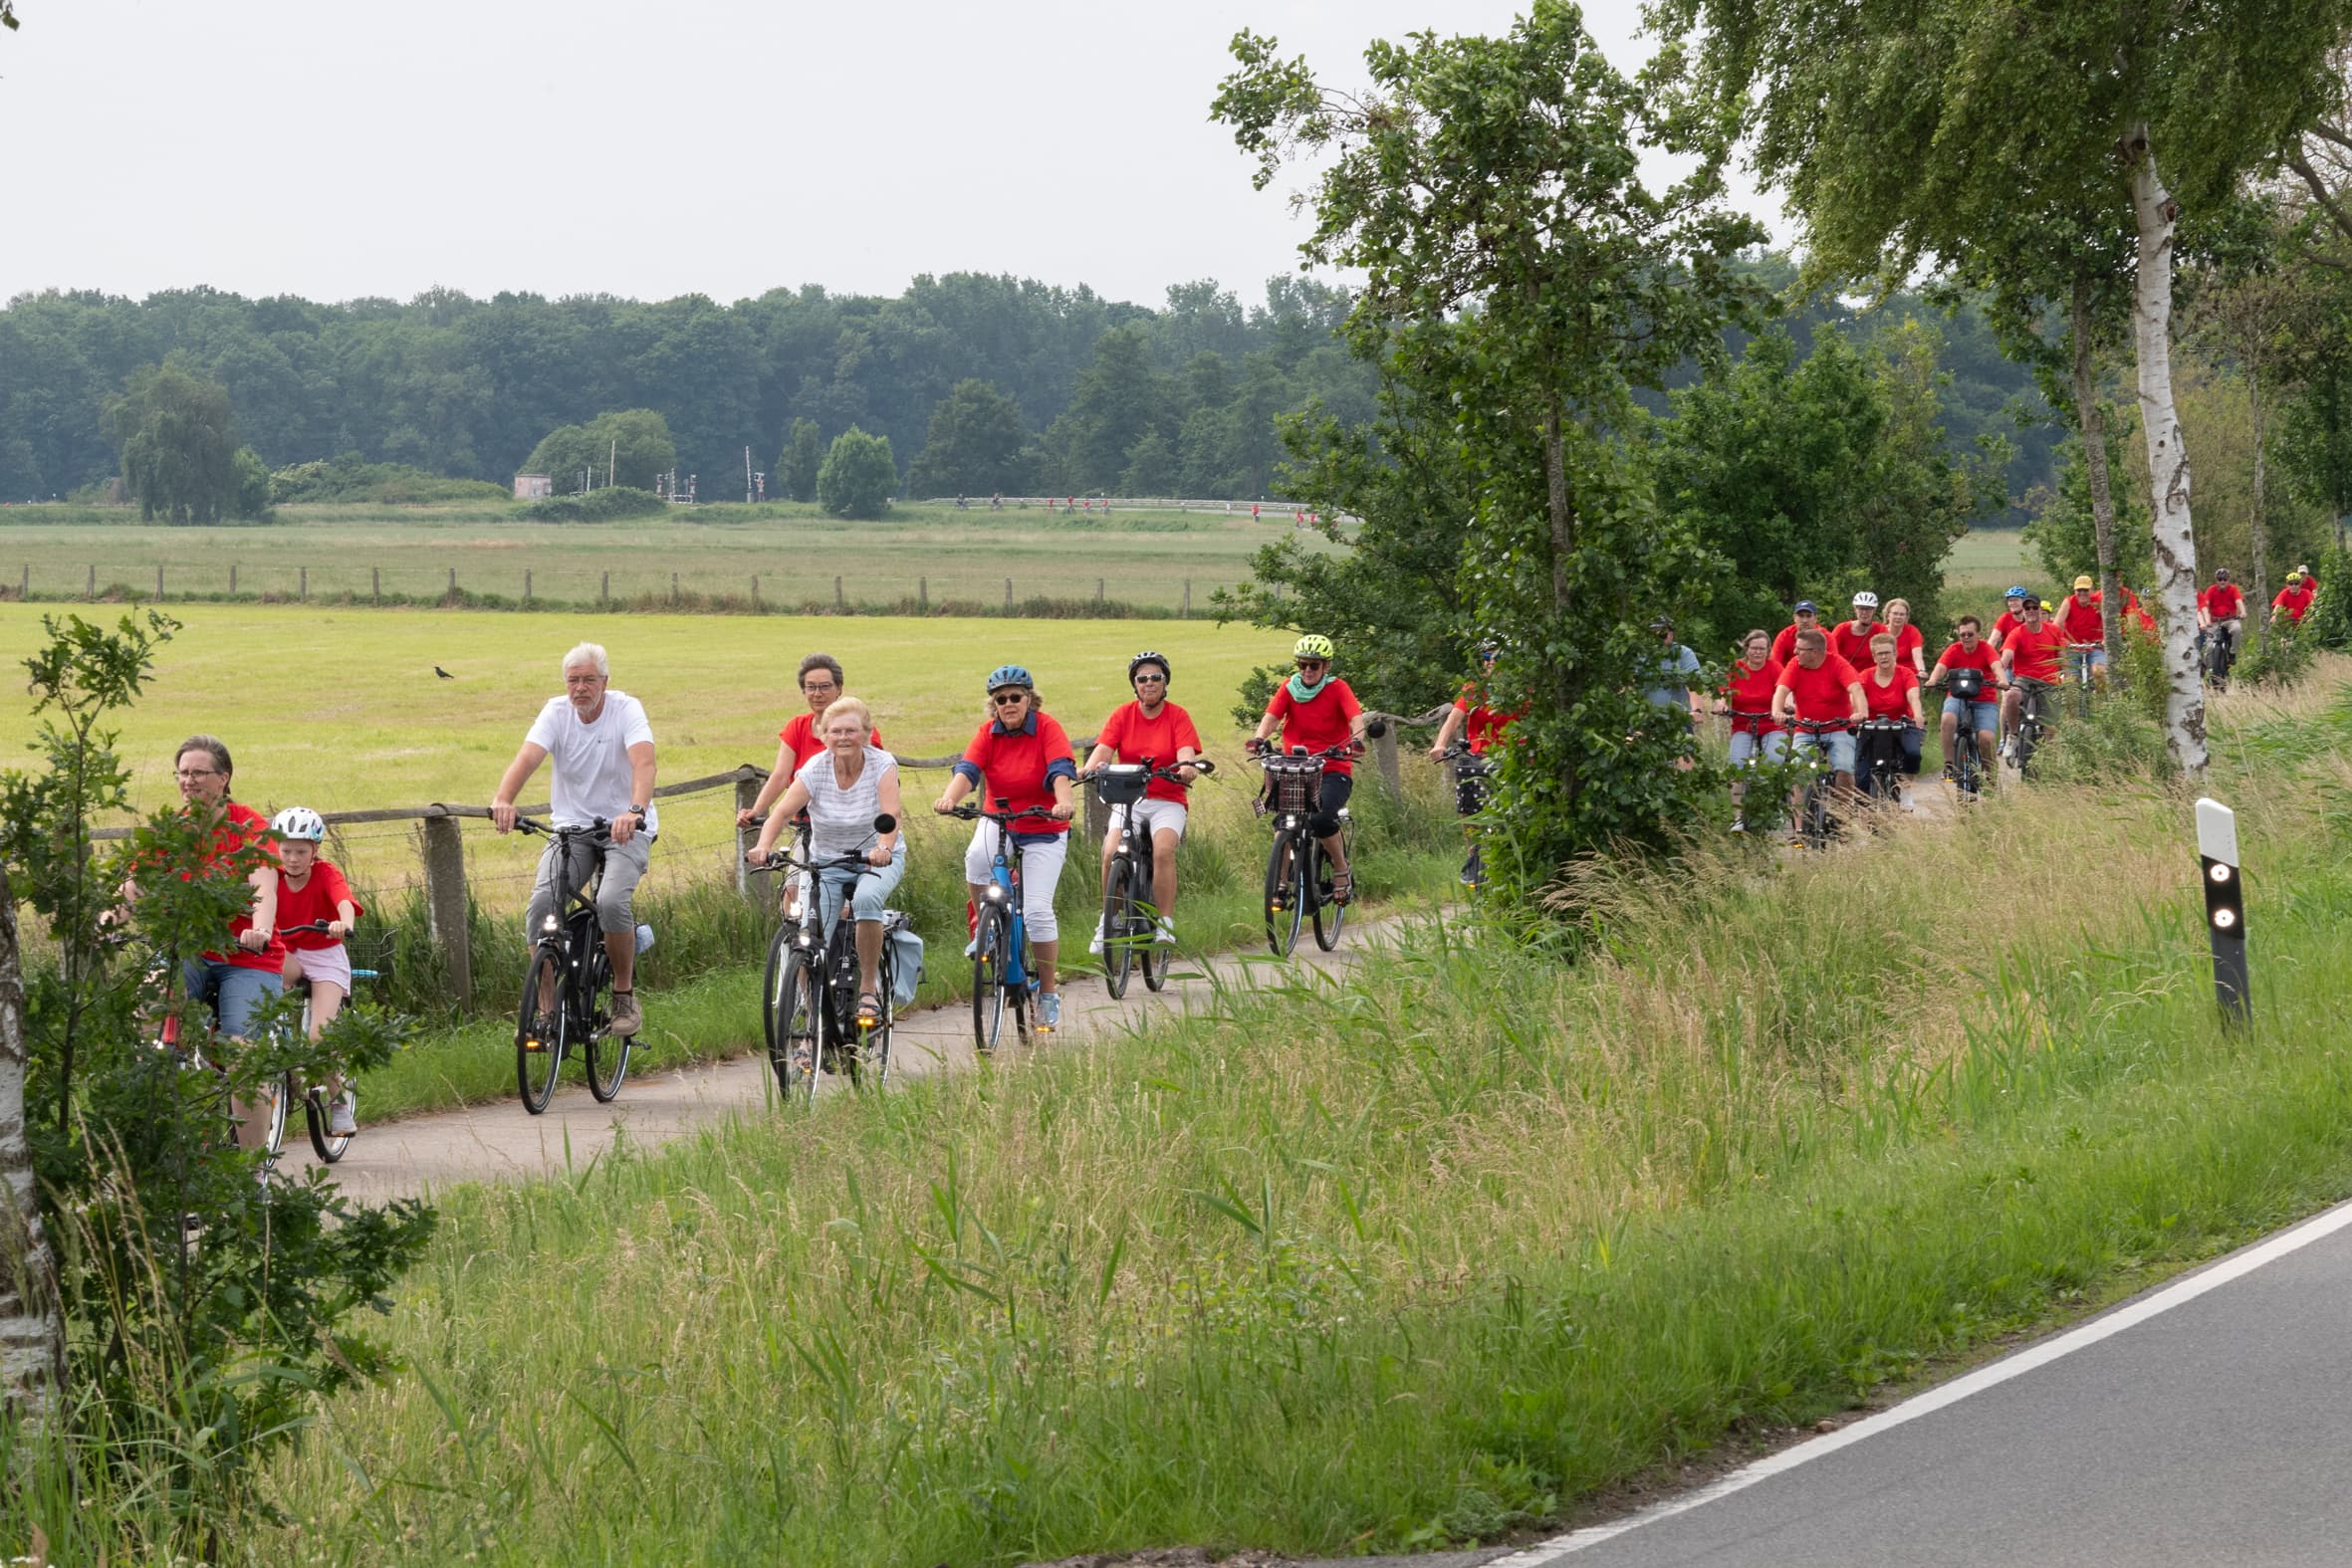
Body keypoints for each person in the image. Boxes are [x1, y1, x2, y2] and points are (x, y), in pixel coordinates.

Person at [491, 642, 657, 1039]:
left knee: (611, 901)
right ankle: (547, 1010)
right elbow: (528, 757)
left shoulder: (626, 709)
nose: (580, 688)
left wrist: (634, 811)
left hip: (625, 828)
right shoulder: (556, 712)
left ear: (605, 682)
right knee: (541, 905)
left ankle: (623, 995)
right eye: (573, 680)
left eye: (588, 680)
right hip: (572, 828)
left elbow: (644, 762)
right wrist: (503, 799)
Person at [933, 665, 1077, 1030]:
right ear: (993, 705)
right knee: (976, 858)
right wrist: (950, 798)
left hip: (1044, 824)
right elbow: (968, 770)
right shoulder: (988, 733)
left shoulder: (1047, 728)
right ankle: (985, 926)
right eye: (1001, 699)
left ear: (1029, 699)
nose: (1009, 704)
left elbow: (1060, 768)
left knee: (1038, 911)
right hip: (1000, 818)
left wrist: (1063, 800)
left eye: (1016, 697)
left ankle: (1047, 995)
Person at [748, 697, 904, 1032]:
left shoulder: (882, 764)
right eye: (835, 731)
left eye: (851, 730)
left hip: (875, 858)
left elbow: (891, 813)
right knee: (810, 935)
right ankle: (808, 1018)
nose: (843, 737)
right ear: (823, 735)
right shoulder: (815, 769)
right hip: (827, 862)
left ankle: (867, 989)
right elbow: (782, 812)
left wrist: (883, 847)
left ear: (865, 733)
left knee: (865, 900)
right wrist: (763, 845)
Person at [159, 735, 284, 1150]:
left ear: (223, 779)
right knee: (146, 1009)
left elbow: (263, 881)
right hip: (191, 950)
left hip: (247, 957)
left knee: (244, 1056)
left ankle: (251, 1176)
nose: (188, 781)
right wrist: (107, 919)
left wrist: (261, 929)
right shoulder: (172, 830)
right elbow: (136, 886)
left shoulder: (248, 825)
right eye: (183, 773)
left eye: (198, 772)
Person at [1081, 651, 1203, 950]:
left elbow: (1186, 751)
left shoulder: (1178, 715)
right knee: (1111, 852)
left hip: (1167, 800)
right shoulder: (1123, 715)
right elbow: (1103, 751)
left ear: (1165, 682)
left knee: (1162, 850)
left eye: (1155, 678)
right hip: (1128, 801)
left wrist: (1186, 767)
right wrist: (1087, 770)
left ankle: (1164, 924)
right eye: (1142, 679)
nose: (1149, 683)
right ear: (1134, 685)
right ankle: (1109, 920)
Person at [1248, 633, 1371, 903]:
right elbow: (1271, 716)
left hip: (1332, 768)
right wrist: (1259, 739)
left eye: (1314, 665)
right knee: (1283, 823)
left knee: (1321, 818)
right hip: (1296, 768)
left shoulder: (1338, 688)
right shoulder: (1289, 688)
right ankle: (1280, 883)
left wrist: (1357, 742)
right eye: (1302, 664)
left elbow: (1355, 717)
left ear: (1326, 667)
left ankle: (1341, 869)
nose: (1307, 671)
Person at [270, 805, 362, 1138]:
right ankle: (275, 1044)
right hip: (287, 951)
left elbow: (344, 902)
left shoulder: (326, 874)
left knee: (319, 1037)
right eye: (286, 851)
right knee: (263, 983)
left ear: (315, 851)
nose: (292, 858)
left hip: (325, 954)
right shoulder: (270, 875)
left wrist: (343, 924)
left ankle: (339, 1104)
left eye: (301, 851)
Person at [740, 653, 886, 828]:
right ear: (804, 690)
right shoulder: (797, 727)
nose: (817, 694)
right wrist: (756, 811)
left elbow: (877, 777)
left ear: (839, 688)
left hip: (855, 823)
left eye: (825, 686)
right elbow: (780, 776)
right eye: (811, 687)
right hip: (806, 824)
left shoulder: (860, 730)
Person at [1770, 630, 1867, 831]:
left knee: (1844, 768)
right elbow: (1781, 690)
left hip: (1838, 726)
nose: (1796, 652)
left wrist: (1861, 712)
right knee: (1796, 772)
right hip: (1805, 728)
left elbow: (1855, 689)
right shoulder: (1795, 664)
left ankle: (1841, 819)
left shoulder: (1837, 663)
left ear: (1815, 652)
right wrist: (1777, 712)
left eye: (1800, 649)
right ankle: (1799, 828)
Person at [1716, 629, 1784, 833]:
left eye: (1762, 649)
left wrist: (1785, 708)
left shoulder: (1775, 668)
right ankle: (1737, 817)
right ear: (1746, 649)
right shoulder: (1736, 668)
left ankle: (1772, 807)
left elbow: (1784, 690)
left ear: (1768, 650)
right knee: (1737, 767)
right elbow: (1722, 692)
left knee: (1774, 760)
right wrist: (1721, 704)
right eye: (1754, 648)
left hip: (1771, 723)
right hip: (1742, 724)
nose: (1757, 653)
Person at [1927, 615, 2005, 786]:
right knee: (1947, 719)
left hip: (1985, 700)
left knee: (1986, 737)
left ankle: (1989, 773)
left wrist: (2002, 679)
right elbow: (1941, 667)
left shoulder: (1986, 649)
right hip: (1957, 697)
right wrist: (1933, 679)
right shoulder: (1954, 649)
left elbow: (1996, 665)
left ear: (1978, 634)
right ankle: (1949, 764)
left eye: (1970, 634)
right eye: (1962, 635)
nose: (1966, 638)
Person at [1857, 633, 1926, 798]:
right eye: (1879, 653)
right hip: (1872, 726)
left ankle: (1906, 791)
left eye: (1887, 652)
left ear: (1895, 654)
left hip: (1901, 724)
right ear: (1874, 657)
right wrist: (1859, 714)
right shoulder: (1865, 675)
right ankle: (1865, 808)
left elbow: (1913, 696)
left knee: (1913, 754)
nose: (1884, 656)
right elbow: (1857, 697)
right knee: (1860, 771)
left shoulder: (1906, 674)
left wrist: (1917, 715)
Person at [1999, 596, 2067, 758]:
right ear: (2023, 612)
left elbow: (2063, 658)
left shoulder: (2053, 631)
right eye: (2027, 608)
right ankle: (2012, 736)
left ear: (2039, 610)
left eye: (2034, 608)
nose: (2031, 611)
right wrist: (1999, 675)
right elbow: (2006, 656)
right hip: (2025, 679)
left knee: (2050, 727)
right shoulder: (2017, 633)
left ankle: (2048, 759)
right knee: (2011, 696)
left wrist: (2068, 680)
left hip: (2049, 681)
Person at [1429, 642, 1514, 759]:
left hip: (1514, 759)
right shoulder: (1474, 688)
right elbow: (1454, 718)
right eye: (1487, 657)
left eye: (1497, 657)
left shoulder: (1520, 690)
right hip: (1480, 758)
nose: (1492, 662)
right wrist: (1440, 744)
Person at [1642, 617, 1707, 760]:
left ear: (1671, 634)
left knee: (1685, 759)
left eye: (1664, 633)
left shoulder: (1684, 653)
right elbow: (1628, 684)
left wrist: (1696, 710)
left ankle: (1685, 778)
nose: (1660, 637)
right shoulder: (1640, 655)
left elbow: (1693, 684)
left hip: (1677, 719)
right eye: (1655, 633)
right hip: (1645, 719)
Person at [2198, 567, 2245, 688]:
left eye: (2224, 579)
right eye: (2220, 579)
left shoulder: (2233, 589)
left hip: (2230, 619)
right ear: (2216, 580)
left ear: (2228, 580)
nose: (2222, 582)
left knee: (2237, 629)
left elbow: (2239, 601)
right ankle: (2211, 671)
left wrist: (2243, 612)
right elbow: (2205, 604)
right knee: (2209, 647)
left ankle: (2232, 652)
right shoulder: (2211, 590)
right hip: (2214, 622)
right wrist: (2206, 619)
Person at [1829, 592, 1887, 669]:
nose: (1864, 612)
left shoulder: (1880, 629)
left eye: (1869, 609)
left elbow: (1888, 651)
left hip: (1871, 676)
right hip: (1847, 675)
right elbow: (1830, 653)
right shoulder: (1842, 629)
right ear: (1855, 609)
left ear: (1874, 610)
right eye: (1861, 608)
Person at [1883, 597, 1928, 679]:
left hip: (1909, 675)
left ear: (1906, 617)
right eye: (1895, 613)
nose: (1898, 617)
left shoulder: (1912, 631)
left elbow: (1917, 656)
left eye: (1902, 614)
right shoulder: (1880, 632)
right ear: (1888, 615)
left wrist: (1921, 670)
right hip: (1885, 674)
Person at [1769, 600, 1823, 665]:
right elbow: (1774, 663)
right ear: (1794, 618)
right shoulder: (1784, 636)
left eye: (1808, 616)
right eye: (1801, 616)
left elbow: (1833, 665)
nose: (1805, 620)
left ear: (1815, 618)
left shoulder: (1826, 637)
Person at [1990, 586, 2031, 653]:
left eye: (2016, 600)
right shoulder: (2005, 618)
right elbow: (1993, 640)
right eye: (2010, 600)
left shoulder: (2031, 618)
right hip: (2009, 656)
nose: (2012, 603)